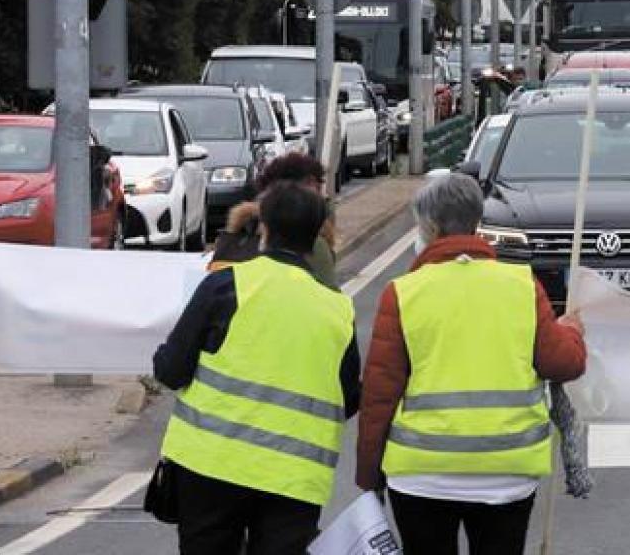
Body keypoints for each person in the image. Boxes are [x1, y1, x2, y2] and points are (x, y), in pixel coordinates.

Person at [357, 173, 587, 555]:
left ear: (427, 226)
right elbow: (564, 363)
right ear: (477, 221)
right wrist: (572, 332)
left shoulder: (403, 293)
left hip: (421, 476)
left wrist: (369, 476)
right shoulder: (521, 285)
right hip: (506, 473)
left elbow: (379, 396)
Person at [154, 180, 360, 554]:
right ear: (318, 234)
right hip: (294, 479)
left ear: (263, 227)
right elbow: (349, 397)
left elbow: (171, 370)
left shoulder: (225, 285)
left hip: (208, 467)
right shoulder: (338, 311)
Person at [208, 152, 337, 287]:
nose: (324, 198)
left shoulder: (236, 237)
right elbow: (328, 294)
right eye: (318, 189)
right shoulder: (314, 244)